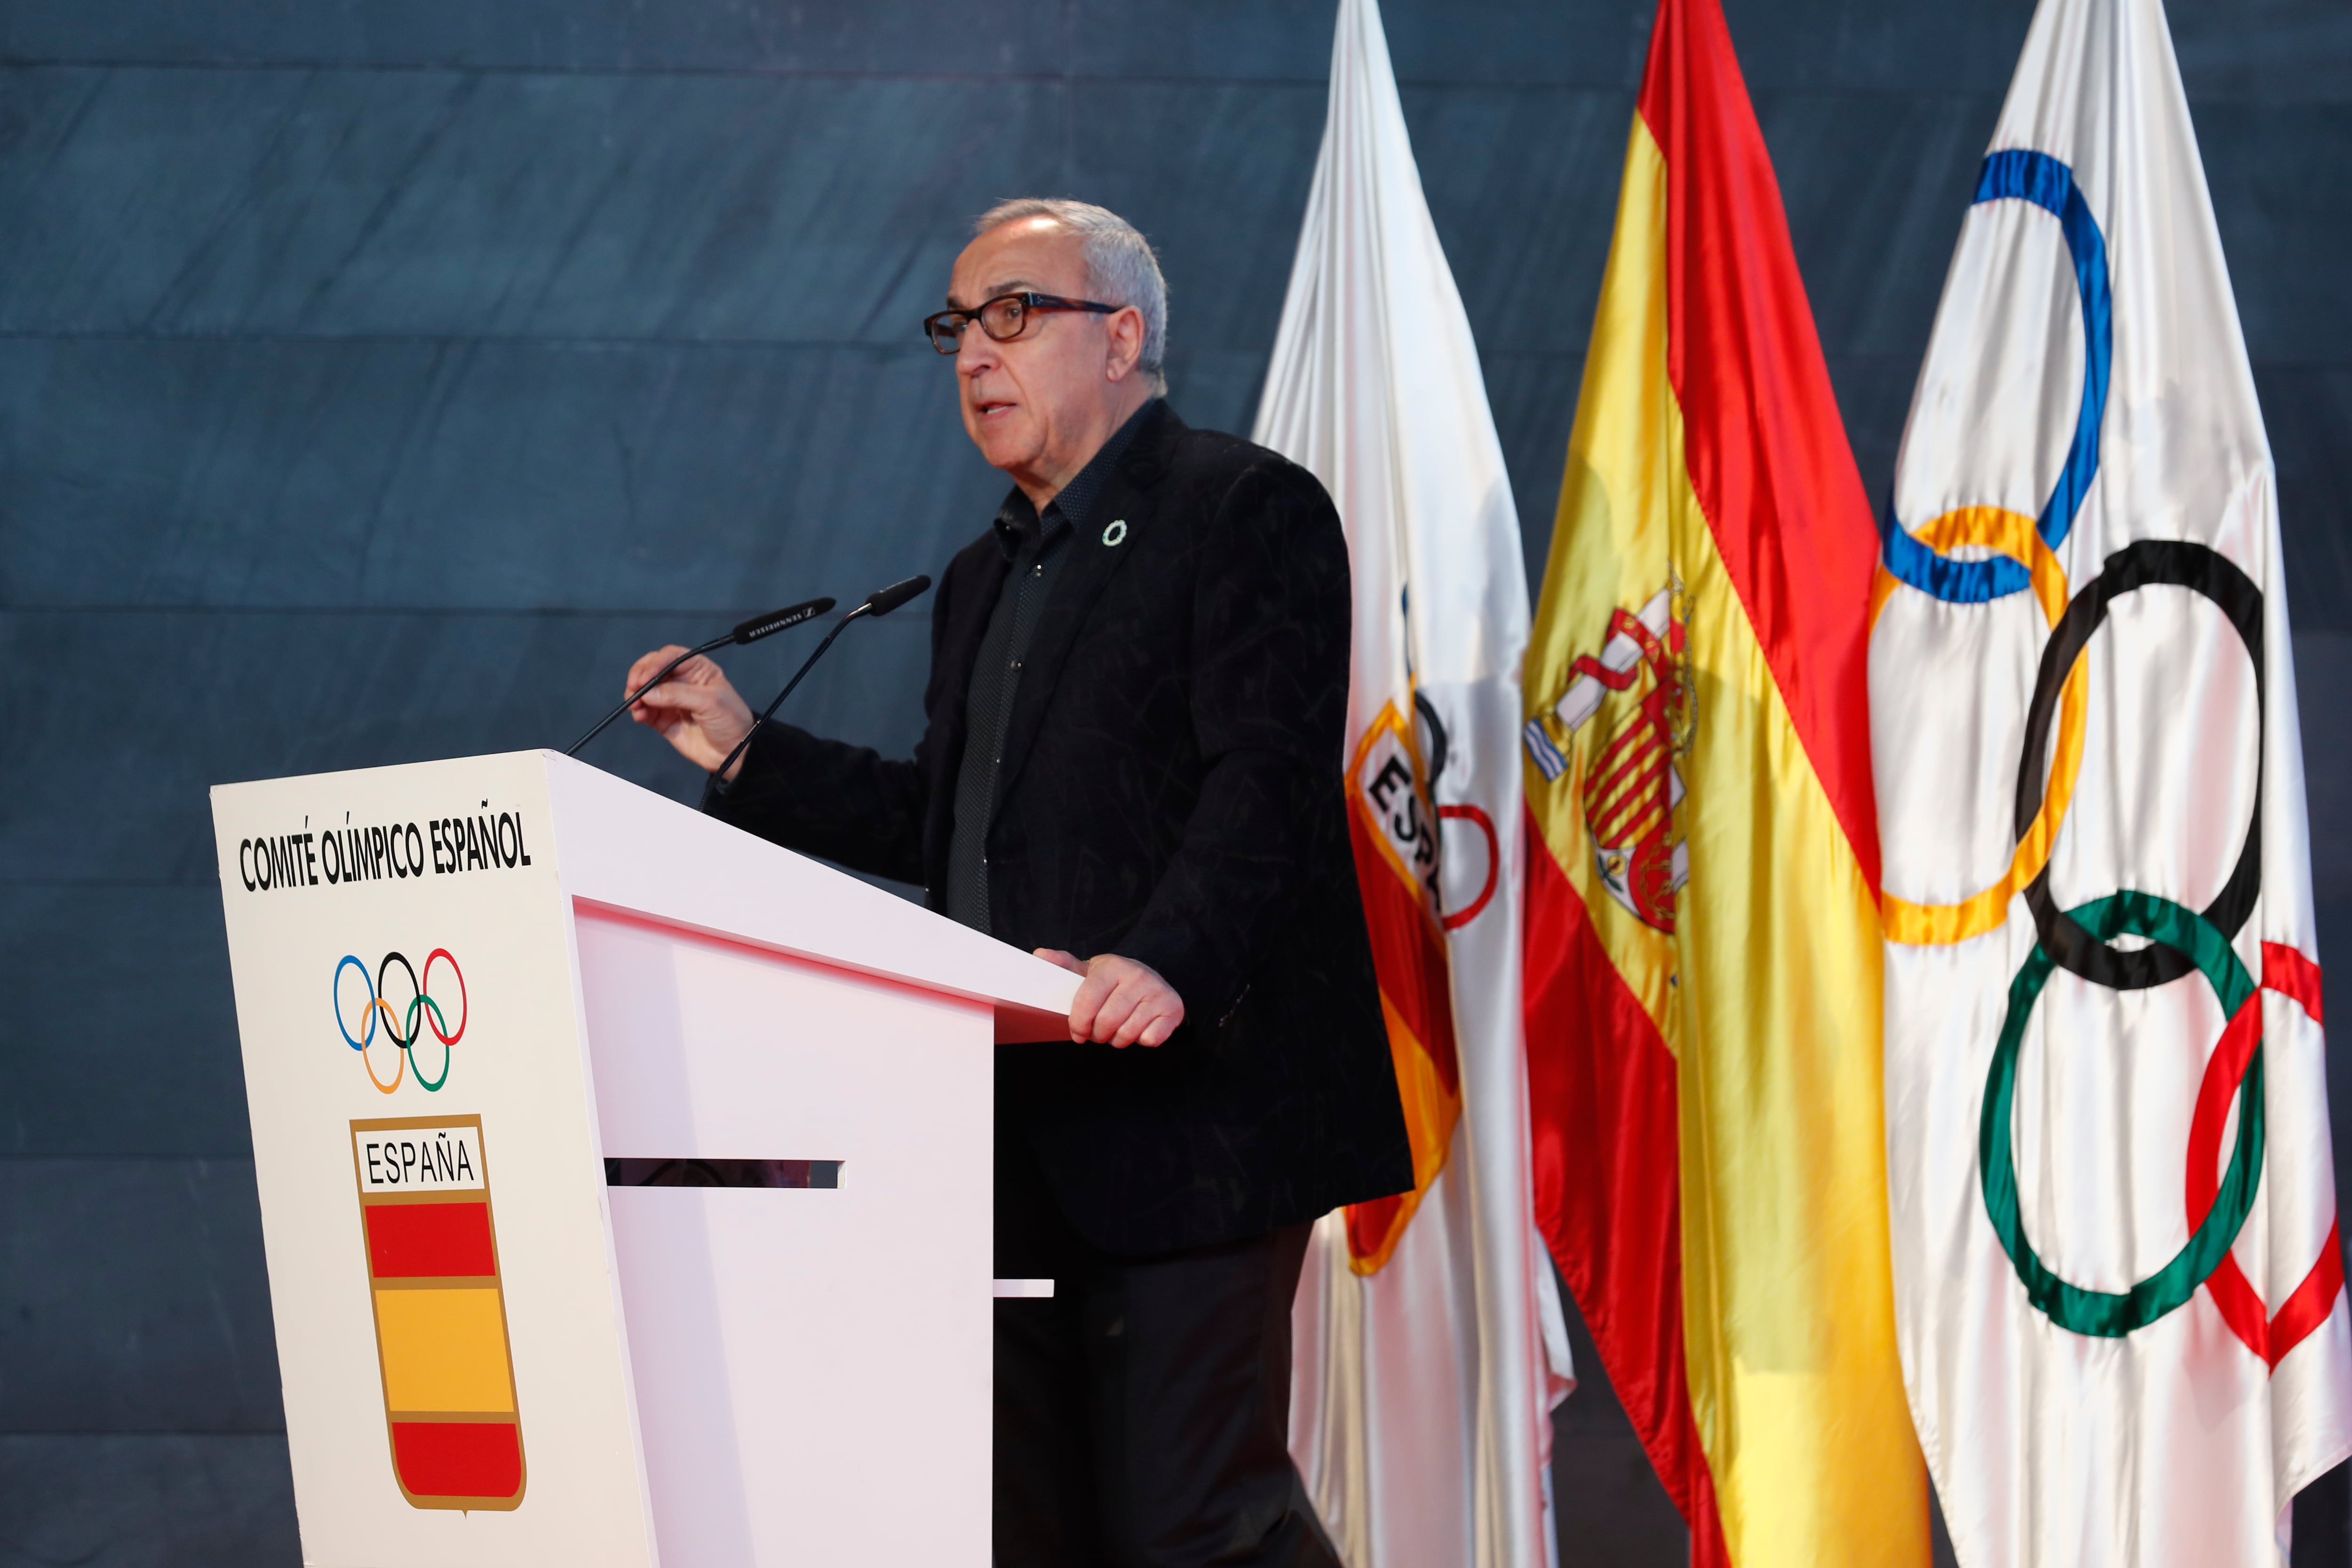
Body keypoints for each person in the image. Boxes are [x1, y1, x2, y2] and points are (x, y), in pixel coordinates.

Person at [620, 198, 1409, 1568]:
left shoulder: (1243, 507)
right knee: (1028, 1532)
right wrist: (747, 754)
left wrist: (1164, 956)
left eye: (1010, 315)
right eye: (955, 328)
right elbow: (954, 820)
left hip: (1199, 1122)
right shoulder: (986, 576)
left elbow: (1266, 779)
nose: (974, 356)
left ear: (1122, 336)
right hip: (1008, 1130)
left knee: (1196, 1532)